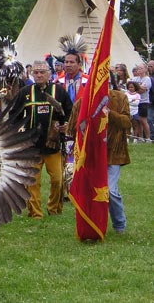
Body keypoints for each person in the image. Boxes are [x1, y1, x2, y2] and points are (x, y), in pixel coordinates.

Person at [68, 76, 131, 234]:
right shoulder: (83, 102)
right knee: (90, 191)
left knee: (109, 190)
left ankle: (119, 225)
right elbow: (72, 128)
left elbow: (127, 122)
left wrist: (109, 113)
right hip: (90, 155)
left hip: (113, 154)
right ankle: (92, 224)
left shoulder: (120, 97)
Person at [10, 60, 72, 219]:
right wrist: (19, 134)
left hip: (53, 144)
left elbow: (69, 111)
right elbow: (14, 116)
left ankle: (54, 209)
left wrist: (66, 125)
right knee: (32, 182)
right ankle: (35, 213)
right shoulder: (25, 92)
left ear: (49, 74)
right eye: (36, 72)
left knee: (58, 179)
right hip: (32, 146)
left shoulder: (58, 91)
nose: (38, 75)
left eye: (42, 72)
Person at [130, 63, 151, 141]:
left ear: (145, 69)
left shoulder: (147, 79)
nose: (139, 70)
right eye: (138, 68)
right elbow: (130, 87)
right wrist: (138, 87)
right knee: (137, 120)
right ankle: (140, 137)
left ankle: (148, 138)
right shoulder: (135, 79)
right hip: (135, 102)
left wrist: (135, 88)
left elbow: (143, 90)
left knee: (143, 120)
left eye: (141, 68)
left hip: (143, 102)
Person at [147, 60, 154, 140]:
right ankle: (152, 137)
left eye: (151, 66)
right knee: (149, 119)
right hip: (150, 102)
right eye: (148, 66)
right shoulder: (147, 77)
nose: (149, 68)